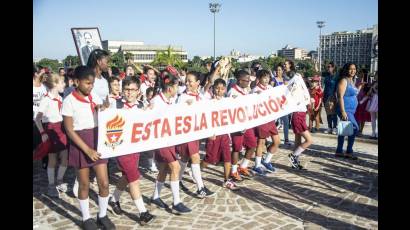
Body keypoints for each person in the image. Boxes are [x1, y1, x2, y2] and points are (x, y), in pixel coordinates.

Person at [62, 66, 115, 230]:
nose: (90, 86)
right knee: (84, 184)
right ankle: (86, 218)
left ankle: (103, 215)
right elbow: (69, 130)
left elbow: (100, 113)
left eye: (92, 83)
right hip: (81, 143)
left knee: (104, 183)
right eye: (87, 83)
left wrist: (103, 108)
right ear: (76, 82)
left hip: (97, 141)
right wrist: (87, 150)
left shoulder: (94, 96)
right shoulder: (69, 101)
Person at [108, 76, 155, 225]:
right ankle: (143, 212)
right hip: (121, 148)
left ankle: (114, 199)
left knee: (128, 176)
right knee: (134, 178)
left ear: (138, 91)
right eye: (126, 90)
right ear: (122, 90)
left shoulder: (142, 105)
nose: (129, 93)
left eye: (132, 90)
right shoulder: (115, 104)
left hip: (136, 148)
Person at [149, 74, 192, 214]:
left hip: (169, 139)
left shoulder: (170, 100)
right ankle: (176, 202)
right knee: (175, 167)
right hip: (161, 141)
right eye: (176, 86)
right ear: (169, 88)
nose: (178, 88)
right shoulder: (156, 101)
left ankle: (155, 196)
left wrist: (186, 106)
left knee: (164, 169)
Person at [176, 71, 214, 198]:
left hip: (196, 133)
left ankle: (178, 180)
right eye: (186, 80)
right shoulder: (182, 97)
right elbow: (176, 114)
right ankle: (200, 187)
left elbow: (207, 113)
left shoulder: (201, 97)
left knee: (185, 158)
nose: (187, 83)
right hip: (187, 134)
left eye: (190, 81)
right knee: (195, 157)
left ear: (197, 83)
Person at [199, 79, 239, 190]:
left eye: (222, 89)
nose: (219, 91)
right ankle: (197, 170)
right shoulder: (208, 102)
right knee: (210, 159)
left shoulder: (227, 101)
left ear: (225, 90)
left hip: (224, 134)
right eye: (217, 88)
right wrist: (208, 133)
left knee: (227, 159)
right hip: (214, 134)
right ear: (213, 89)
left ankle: (227, 180)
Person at [35, 73, 68, 198]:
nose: (64, 84)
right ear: (55, 84)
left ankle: (59, 179)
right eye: (62, 82)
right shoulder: (46, 99)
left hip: (61, 128)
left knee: (65, 157)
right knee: (52, 159)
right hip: (51, 129)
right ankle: (51, 184)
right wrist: (43, 133)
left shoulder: (60, 98)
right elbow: (38, 119)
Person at [227, 69, 257, 182]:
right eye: (247, 80)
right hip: (237, 126)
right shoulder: (233, 93)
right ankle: (233, 171)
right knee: (237, 149)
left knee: (252, 145)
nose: (249, 82)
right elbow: (231, 111)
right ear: (240, 81)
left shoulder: (245, 91)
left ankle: (243, 166)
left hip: (247, 123)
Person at [251, 69, 281, 175]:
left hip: (270, 119)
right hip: (261, 120)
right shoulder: (255, 90)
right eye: (264, 77)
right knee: (261, 142)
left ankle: (266, 161)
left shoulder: (270, 88)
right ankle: (257, 164)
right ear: (259, 79)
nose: (267, 79)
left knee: (277, 141)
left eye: (268, 77)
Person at [286, 60, 313, 170]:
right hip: (297, 114)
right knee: (309, 140)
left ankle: (295, 162)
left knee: (298, 139)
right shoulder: (291, 81)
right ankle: (293, 156)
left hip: (299, 113)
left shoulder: (296, 78)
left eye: (286, 65)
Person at [335, 63, 365, 159]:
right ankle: (349, 151)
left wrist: (360, 86)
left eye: (354, 69)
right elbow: (340, 96)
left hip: (351, 110)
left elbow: (354, 94)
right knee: (355, 128)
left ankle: (339, 151)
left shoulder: (352, 80)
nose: (353, 71)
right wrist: (343, 111)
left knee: (344, 130)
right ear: (346, 70)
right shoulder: (344, 80)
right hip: (345, 109)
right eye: (350, 69)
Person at [272, 63, 291, 145]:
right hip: (275, 104)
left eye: (279, 70)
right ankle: (274, 139)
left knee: (286, 122)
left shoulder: (285, 79)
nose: (278, 71)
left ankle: (286, 139)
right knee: (273, 123)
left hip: (283, 104)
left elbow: (288, 89)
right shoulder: (273, 79)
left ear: (282, 71)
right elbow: (270, 90)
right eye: (276, 70)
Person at [354, 69, 371, 136]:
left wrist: (366, 84)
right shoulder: (357, 80)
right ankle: (357, 129)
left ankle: (361, 130)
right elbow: (355, 89)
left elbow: (369, 90)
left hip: (364, 100)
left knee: (363, 115)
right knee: (357, 115)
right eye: (360, 72)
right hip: (357, 99)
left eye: (362, 73)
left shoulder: (368, 80)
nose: (360, 74)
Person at [323, 62, 338, 134]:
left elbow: (338, 88)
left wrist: (336, 97)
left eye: (329, 67)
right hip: (325, 96)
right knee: (328, 113)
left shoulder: (336, 76)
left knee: (333, 113)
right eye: (327, 67)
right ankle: (329, 127)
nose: (328, 68)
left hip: (332, 96)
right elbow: (317, 72)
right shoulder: (326, 75)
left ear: (333, 67)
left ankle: (335, 127)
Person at [366, 72, 378, 139]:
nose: (375, 76)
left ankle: (377, 134)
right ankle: (373, 133)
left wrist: (374, 89)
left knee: (377, 118)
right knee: (373, 118)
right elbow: (369, 93)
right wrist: (371, 89)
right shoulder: (373, 83)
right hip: (373, 100)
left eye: (376, 75)